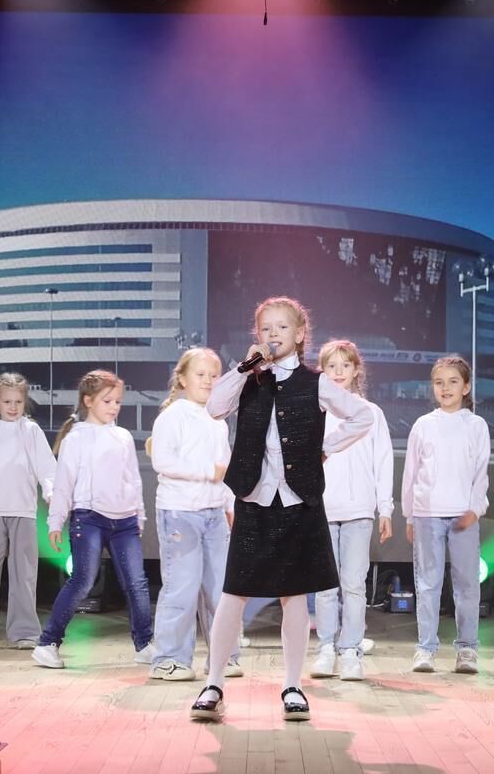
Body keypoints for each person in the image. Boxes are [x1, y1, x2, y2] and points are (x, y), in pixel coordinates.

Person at [189, 296, 372, 722]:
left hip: (298, 500)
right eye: (266, 328)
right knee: (233, 593)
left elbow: (362, 418)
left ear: (300, 334)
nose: (273, 334)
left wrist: (322, 449)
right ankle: (214, 682)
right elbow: (215, 408)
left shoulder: (316, 382)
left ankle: (292, 685)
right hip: (254, 498)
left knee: (294, 596)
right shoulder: (248, 379)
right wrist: (243, 368)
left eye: (282, 327)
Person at [32, 370, 155, 669]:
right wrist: (55, 522)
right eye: (107, 401)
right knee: (83, 580)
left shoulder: (123, 437)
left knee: (136, 583)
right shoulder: (75, 439)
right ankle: (47, 643)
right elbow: (64, 484)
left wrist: (139, 514)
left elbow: (133, 479)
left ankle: (144, 644)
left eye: (118, 402)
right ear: (88, 401)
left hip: (125, 521)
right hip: (88, 518)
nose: (114, 407)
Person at [148, 347, 242, 681]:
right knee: (182, 588)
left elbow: (226, 468)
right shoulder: (173, 416)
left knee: (222, 590)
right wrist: (206, 471)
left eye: (214, 375)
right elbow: (162, 461)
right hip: (180, 513)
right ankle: (169, 660)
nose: (208, 381)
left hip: (214, 514)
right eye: (200, 374)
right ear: (183, 379)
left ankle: (225, 656)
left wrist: (230, 505)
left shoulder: (218, 421)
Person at [310, 340, 394, 682]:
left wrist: (385, 508)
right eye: (331, 366)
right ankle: (325, 649)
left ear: (356, 370)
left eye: (345, 365)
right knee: (325, 586)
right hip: (322, 511)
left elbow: (383, 462)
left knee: (354, 584)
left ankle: (350, 650)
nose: (338, 372)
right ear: (322, 371)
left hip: (360, 511)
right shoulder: (315, 413)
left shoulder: (371, 413)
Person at [401, 355, 490, 675]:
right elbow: (411, 473)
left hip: (463, 517)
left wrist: (475, 509)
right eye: (439, 382)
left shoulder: (476, 426)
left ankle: (467, 649)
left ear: (466, 387)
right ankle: (425, 649)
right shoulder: (423, 425)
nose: (445, 388)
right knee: (428, 584)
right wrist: (409, 516)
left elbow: (481, 474)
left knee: (467, 586)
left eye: (453, 382)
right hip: (427, 516)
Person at [0, 372, 56, 651]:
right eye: (7, 402)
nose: (13, 407)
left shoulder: (32, 431)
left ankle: (24, 632)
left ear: (25, 402)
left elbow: (46, 467)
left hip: (24, 511)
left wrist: (51, 492)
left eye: (18, 402)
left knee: (24, 575)